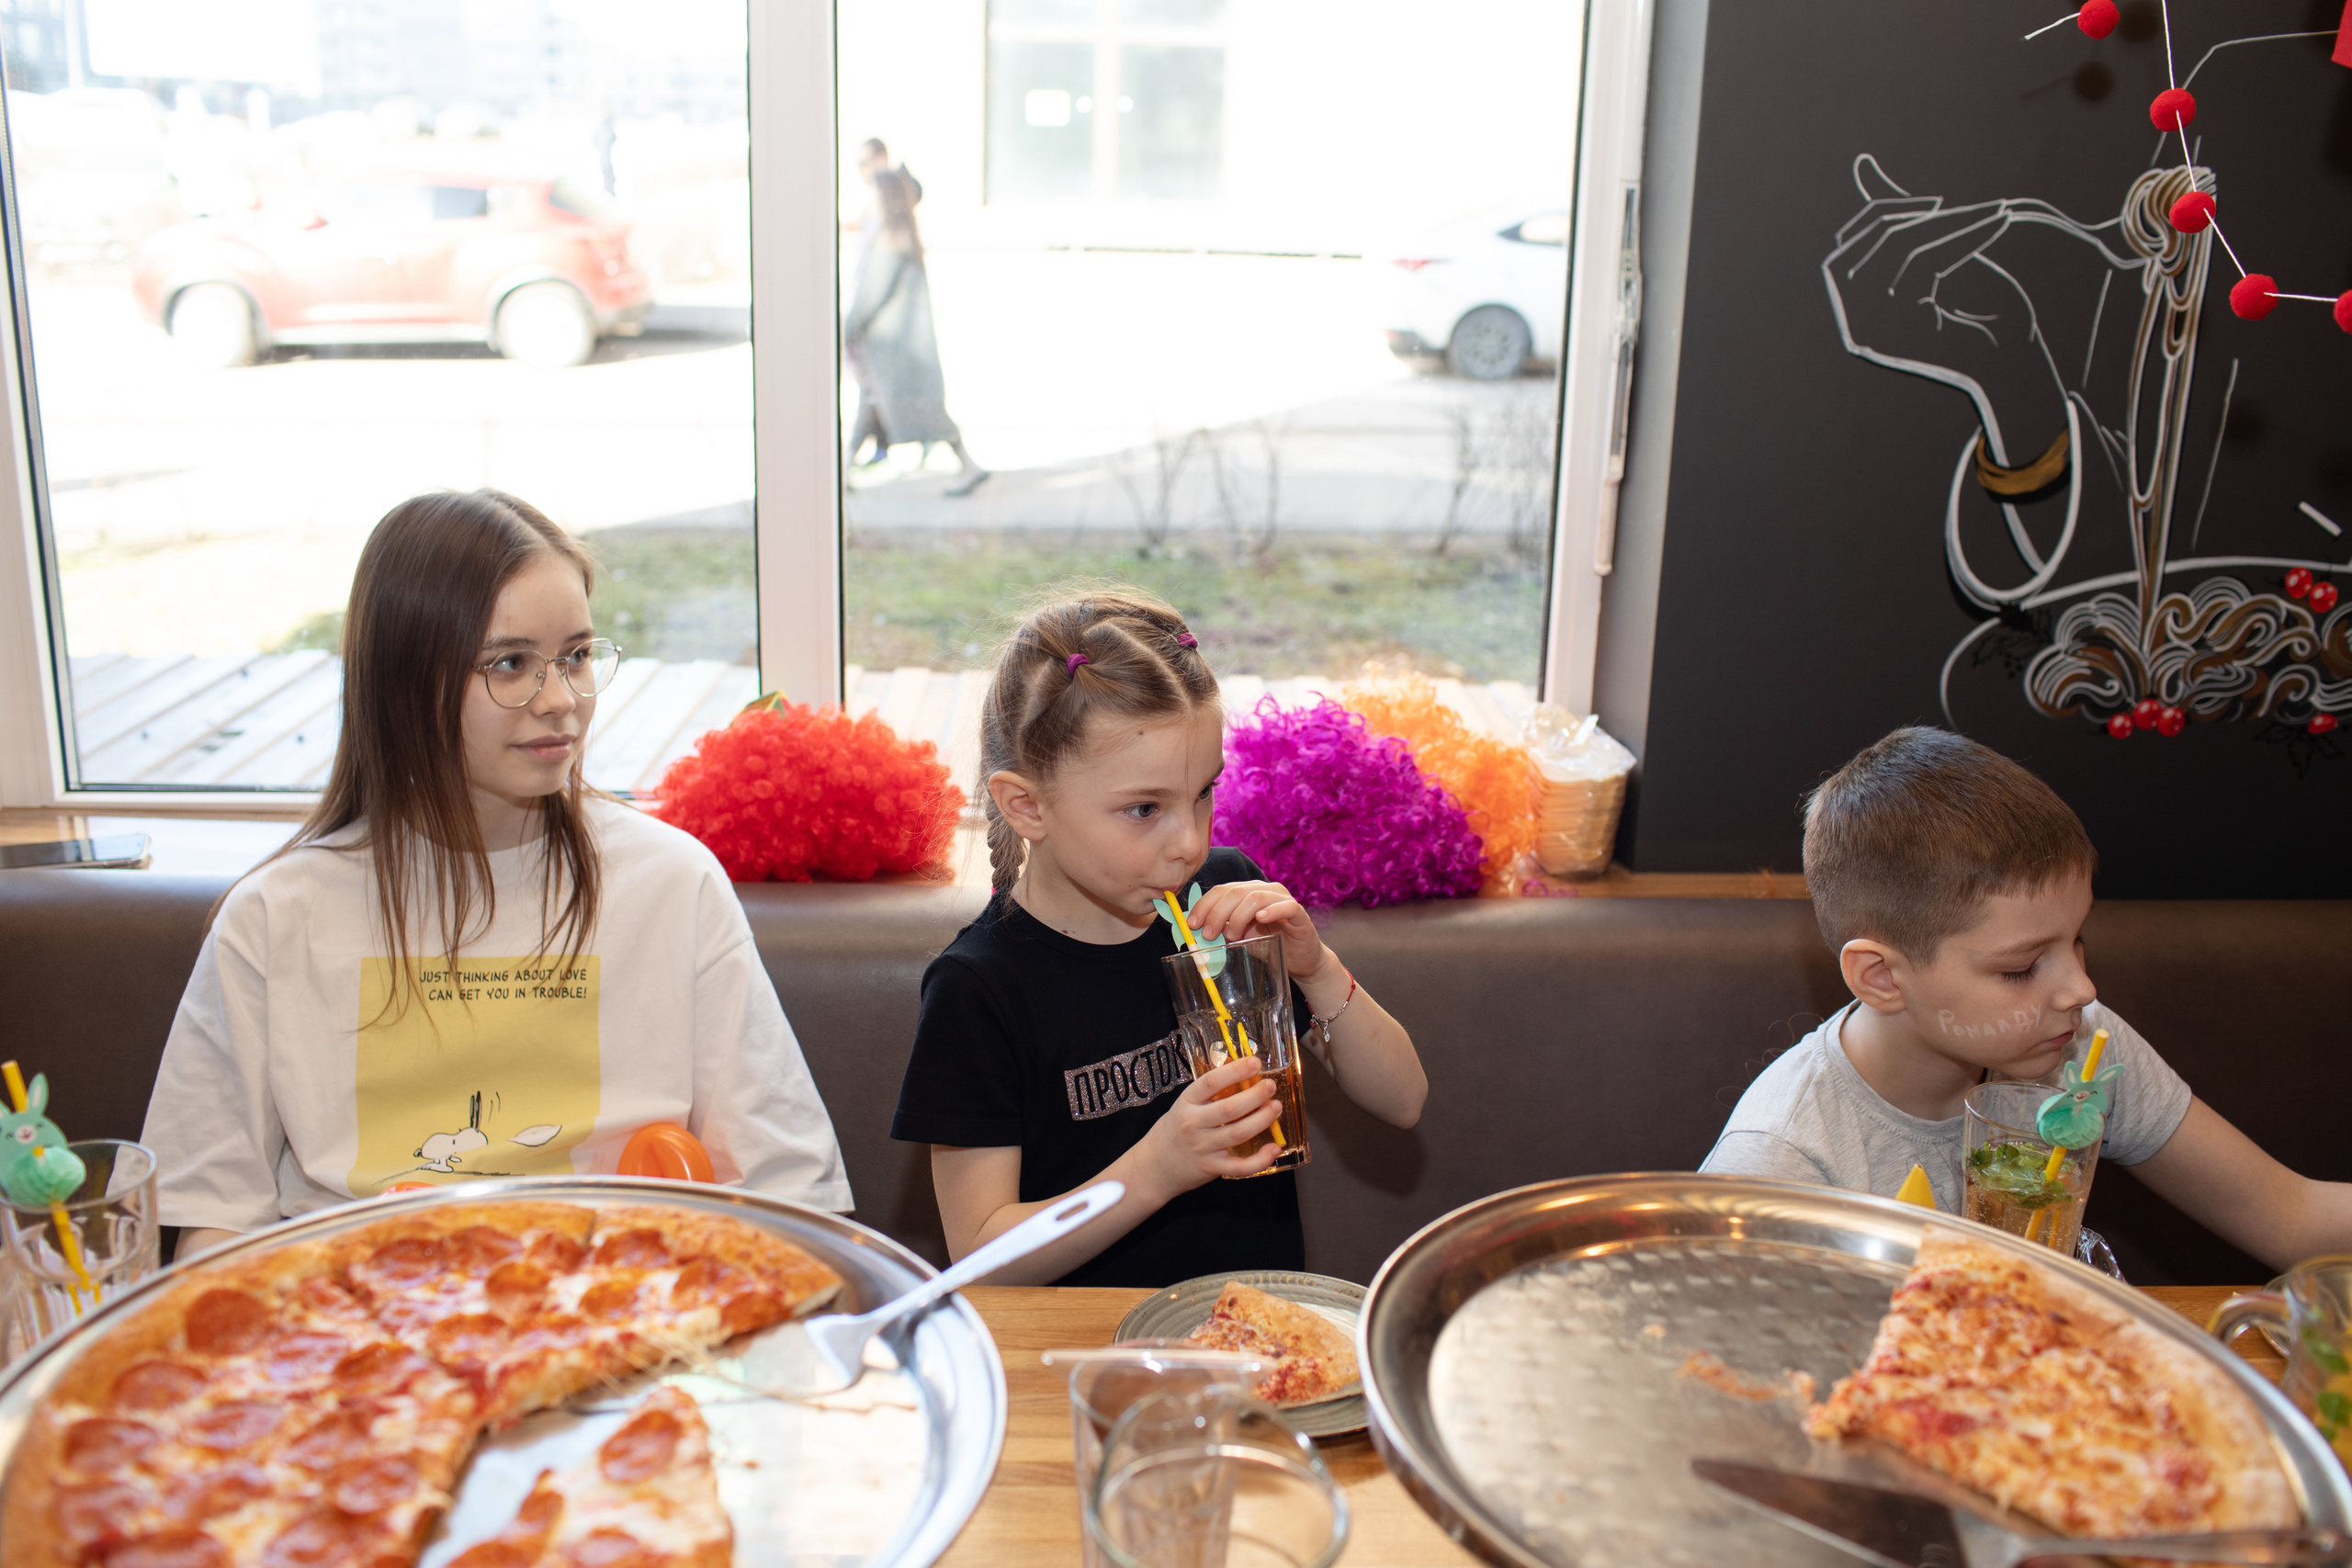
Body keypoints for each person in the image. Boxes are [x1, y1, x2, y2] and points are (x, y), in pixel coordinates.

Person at [148, 490, 851, 1257]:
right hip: (359, 1334)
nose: (561, 701)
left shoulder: (674, 882)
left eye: (577, 656)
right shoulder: (272, 917)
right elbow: (214, 1227)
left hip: (626, 1313)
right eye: (510, 664)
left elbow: (791, 1195)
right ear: (403, 683)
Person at [890, 590, 1427, 1285]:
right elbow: (980, 1258)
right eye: (1144, 808)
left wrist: (1315, 967)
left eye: (1203, 792)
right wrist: (1156, 1169)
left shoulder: (1223, 898)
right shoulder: (980, 987)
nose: (1190, 843)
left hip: (1250, 1334)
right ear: (1026, 805)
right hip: (1080, 1360)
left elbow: (1403, 1098)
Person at [1701, 727, 2352, 1269]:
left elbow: (2292, 1215)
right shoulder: (1780, 1160)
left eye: (2078, 940)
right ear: (1882, 977)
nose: (2081, 988)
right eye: (2021, 968)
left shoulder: (2080, 1046)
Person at [843, 137, 988, 496]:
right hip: (892, 347)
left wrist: (847, 327)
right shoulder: (900, 237)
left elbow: (870, 294)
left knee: (920, 410)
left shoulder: (890, 244)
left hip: (893, 347)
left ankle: (969, 466)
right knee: (873, 405)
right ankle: (840, 470)